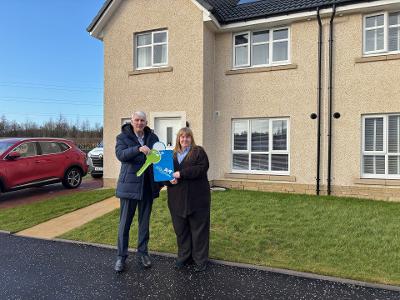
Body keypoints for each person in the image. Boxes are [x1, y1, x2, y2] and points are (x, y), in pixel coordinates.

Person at [114, 111, 160, 272]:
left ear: (146, 122)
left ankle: (143, 254)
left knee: (144, 223)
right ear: (132, 121)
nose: (139, 123)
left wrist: (162, 180)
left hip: (147, 186)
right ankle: (121, 257)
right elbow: (120, 155)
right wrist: (138, 149)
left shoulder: (153, 138)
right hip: (129, 187)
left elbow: (158, 159)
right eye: (137, 120)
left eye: (142, 120)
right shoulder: (122, 137)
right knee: (124, 224)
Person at [167, 127, 211, 272]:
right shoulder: (171, 156)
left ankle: (200, 260)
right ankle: (184, 257)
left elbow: (202, 168)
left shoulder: (198, 152)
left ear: (191, 138)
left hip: (197, 199)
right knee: (181, 230)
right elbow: (164, 174)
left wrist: (181, 173)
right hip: (177, 199)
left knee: (199, 230)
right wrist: (168, 180)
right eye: (182, 137)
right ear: (178, 139)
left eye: (188, 137)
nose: (184, 139)